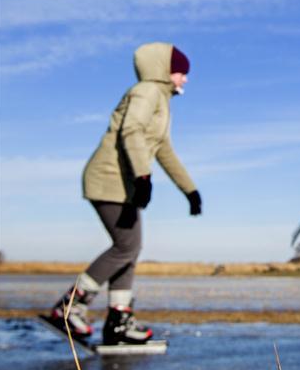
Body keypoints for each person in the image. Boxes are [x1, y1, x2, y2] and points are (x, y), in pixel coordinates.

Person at [47, 42, 201, 345]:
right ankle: (69, 308)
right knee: (125, 247)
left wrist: (190, 191)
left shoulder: (162, 101)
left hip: (125, 185)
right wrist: (144, 176)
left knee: (129, 250)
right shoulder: (146, 92)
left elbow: (164, 151)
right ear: (166, 71)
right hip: (109, 179)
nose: (185, 79)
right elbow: (131, 131)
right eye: (182, 72)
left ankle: (118, 320)